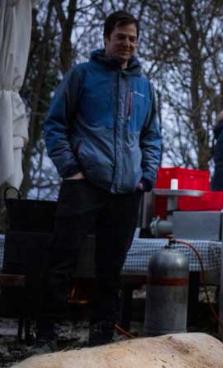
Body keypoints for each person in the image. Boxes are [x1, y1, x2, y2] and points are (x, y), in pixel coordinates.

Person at [39, 10, 162, 346]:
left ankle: (101, 335)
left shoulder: (145, 88)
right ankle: (48, 332)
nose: (127, 44)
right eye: (121, 37)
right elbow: (54, 125)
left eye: (133, 38)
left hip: (126, 189)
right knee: (62, 259)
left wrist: (146, 177)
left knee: (111, 267)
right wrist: (71, 169)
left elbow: (152, 136)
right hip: (84, 184)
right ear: (107, 38)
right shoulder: (82, 76)